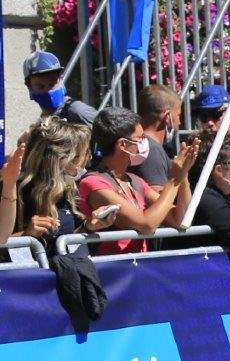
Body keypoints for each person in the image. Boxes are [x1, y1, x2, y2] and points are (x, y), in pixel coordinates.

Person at [79, 108, 198, 254]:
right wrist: (174, 179)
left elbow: (180, 220)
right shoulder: (94, 183)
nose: (145, 143)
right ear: (122, 144)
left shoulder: (135, 181)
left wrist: (183, 175)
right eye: (140, 138)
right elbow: (147, 225)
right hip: (110, 270)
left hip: (138, 268)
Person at [10, 118, 116, 258]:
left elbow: (66, 242)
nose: (89, 159)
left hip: (63, 275)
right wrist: (26, 235)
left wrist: (88, 226)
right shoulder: (14, 189)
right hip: (28, 277)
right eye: (84, 154)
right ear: (62, 159)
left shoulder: (69, 189)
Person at [23, 51, 98, 128]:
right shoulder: (42, 122)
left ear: (61, 79)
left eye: (52, 84)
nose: (48, 91)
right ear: (29, 87)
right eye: (41, 87)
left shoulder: (78, 111)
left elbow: (108, 132)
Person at [132, 84, 182, 190]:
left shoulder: (144, 145)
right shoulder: (152, 150)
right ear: (167, 117)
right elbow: (158, 200)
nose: (180, 122)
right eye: (178, 115)